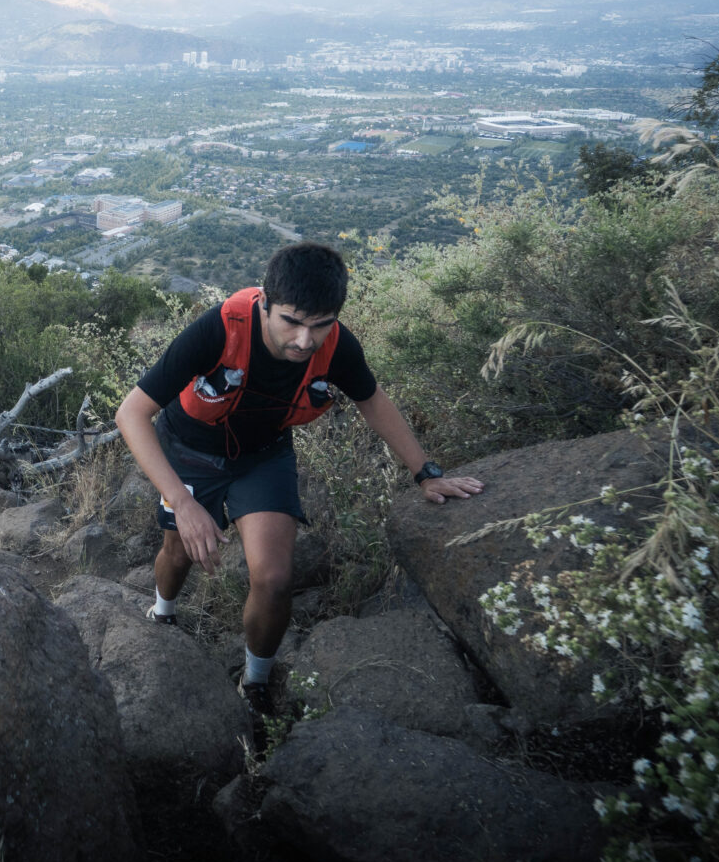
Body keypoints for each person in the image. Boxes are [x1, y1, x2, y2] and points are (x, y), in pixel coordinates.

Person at [114, 242, 484, 718]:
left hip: (263, 456)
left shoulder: (337, 346)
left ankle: (255, 683)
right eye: (291, 320)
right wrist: (182, 505)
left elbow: (373, 400)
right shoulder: (218, 329)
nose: (305, 340)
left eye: (320, 325)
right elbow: (132, 413)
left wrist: (425, 474)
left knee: (274, 578)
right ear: (265, 303)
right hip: (190, 450)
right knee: (179, 550)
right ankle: (163, 613)